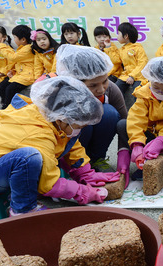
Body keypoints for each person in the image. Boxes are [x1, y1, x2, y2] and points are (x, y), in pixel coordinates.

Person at [0, 76, 120, 215]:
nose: (80, 130)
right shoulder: (37, 132)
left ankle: (20, 194)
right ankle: (23, 209)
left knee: (35, 155)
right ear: (61, 118)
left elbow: (72, 146)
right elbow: (49, 183)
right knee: (28, 157)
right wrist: (83, 192)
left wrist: (87, 174)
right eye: (79, 126)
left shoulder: (53, 120)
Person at [54, 44, 128, 173]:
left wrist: (123, 155)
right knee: (82, 120)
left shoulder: (111, 89)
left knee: (109, 113)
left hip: (96, 138)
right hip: (67, 149)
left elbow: (125, 125)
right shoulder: (58, 93)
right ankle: (73, 163)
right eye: (93, 85)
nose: (101, 89)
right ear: (74, 82)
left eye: (105, 81)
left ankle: (96, 159)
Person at [117, 56, 163, 182]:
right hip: (149, 136)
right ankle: (144, 164)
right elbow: (136, 119)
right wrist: (137, 143)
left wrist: (162, 140)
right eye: (156, 88)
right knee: (123, 124)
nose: (161, 93)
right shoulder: (143, 94)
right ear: (151, 80)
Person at [0, 25, 34, 110]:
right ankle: (9, 105)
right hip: (19, 75)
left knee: (10, 89)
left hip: (27, 76)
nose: (14, 40)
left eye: (15, 37)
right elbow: (16, 62)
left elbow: (12, 57)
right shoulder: (22, 48)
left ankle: (7, 107)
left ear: (23, 39)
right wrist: (11, 71)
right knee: (1, 86)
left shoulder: (27, 48)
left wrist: (1, 46)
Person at [115, 22, 148, 98]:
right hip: (125, 76)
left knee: (137, 93)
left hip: (139, 76)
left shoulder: (138, 48)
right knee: (116, 91)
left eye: (118, 33)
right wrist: (108, 47)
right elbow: (115, 61)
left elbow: (142, 63)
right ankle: (119, 110)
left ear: (126, 36)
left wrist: (133, 76)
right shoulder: (121, 50)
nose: (117, 36)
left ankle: (137, 110)